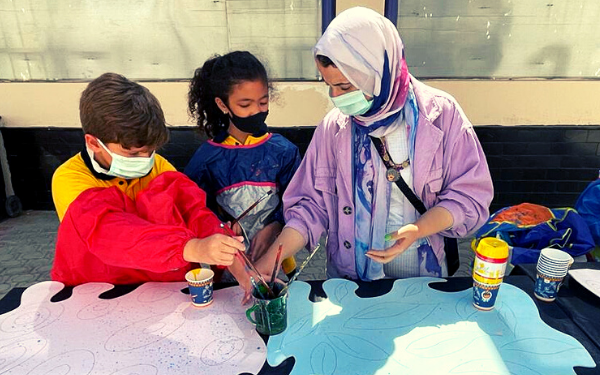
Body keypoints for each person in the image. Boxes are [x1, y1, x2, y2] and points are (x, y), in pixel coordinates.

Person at [255, 7, 493, 281]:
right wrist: (271, 260)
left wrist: (420, 229)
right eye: (329, 86)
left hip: (423, 278)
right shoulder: (335, 128)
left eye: (345, 87)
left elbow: (470, 196)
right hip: (353, 283)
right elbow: (310, 205)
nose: (336, 97)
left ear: (376, 72)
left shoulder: (441, 116)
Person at [51, 72, 249, 288]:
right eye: (134, 153)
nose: (146, 159)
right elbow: (112, 233)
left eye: (151, 150)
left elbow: (193, 211)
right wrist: (193, 248)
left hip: (159, 285)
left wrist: (230, 257)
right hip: (98, 288)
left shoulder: (159, 166)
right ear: (93, 143)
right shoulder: (70, 179)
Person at [184, 51, 301, 278]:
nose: (256, 111)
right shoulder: (207, 158)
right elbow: (195, 209)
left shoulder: (284, 151)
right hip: (230, 262)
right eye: (245, 104)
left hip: (277, 255)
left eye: (263, 102)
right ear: (222, 104)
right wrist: (220, 225)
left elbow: (299, 201)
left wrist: (276, 225)